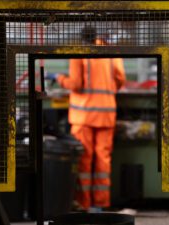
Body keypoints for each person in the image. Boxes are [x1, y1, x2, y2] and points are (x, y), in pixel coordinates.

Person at [47, 26, 126, 211]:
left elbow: (76, 84)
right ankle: (100, 204)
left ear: (82, 38)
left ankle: (84, 203)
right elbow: (120, 79)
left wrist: (58, 77)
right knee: (103, 159)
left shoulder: (79, 53)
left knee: (83, 159)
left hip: (83, 116)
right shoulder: (110, 51)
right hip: (106, 114)